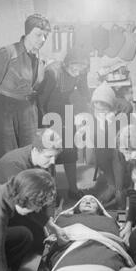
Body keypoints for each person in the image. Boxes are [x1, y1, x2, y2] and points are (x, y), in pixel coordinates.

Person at [0, 14, 51, 169]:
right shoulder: (7, 53)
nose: (42, 40)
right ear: (27, 33)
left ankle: (25, 190)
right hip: (5, 110)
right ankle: (4, 190)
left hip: (28, 110)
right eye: (38, 35)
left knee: (29, 153)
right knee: (6, 155)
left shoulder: (39, 59)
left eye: (45, 36)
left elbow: (36, 88)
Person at [0, 128, 62, 252]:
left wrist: (50, 218)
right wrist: (45, 223)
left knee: (46, 239)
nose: (53, 161)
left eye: (55, 157)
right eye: (49, 156)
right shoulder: (13, 164)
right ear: (35, 150)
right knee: (30, 239)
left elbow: (51, 190)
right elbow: (24, 202)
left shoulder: (47, 161)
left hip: (24, 203)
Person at [34, 195, 134, 271]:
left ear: (99, 209)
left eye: (92, 201)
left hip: (103, 246)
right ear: (77, 208)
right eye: (84, 201)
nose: (87, 202)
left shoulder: (109, 221)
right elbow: (55, 237)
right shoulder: (64, 219)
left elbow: (116, 238)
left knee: (106, 266)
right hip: (69, 247)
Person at [37, 47, 90, 200]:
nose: (79, 72)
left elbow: (83, 93)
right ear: (68, 63)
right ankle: (50, 194)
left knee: (70, 152)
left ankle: (73, 190)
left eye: (83, 68)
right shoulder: (52, 73)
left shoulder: (81, 72)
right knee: (50, 155)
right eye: (77, 68)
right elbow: (40, 101)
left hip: (66, 112)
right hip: (47, 113)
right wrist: (44, 126)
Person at [90, 82, 131, 209]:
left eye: (103, 108)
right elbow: (95, 137)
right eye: (96, 107)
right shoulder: (93, 111)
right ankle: (111, 185)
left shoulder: (124, 107)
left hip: (122, 141)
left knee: (116, 152)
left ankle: (118, 189)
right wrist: (101, 126)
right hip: (105, 143)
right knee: (100, 150)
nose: (99, 110)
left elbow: (123, 135)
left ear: (110, 105)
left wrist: (113, 121)